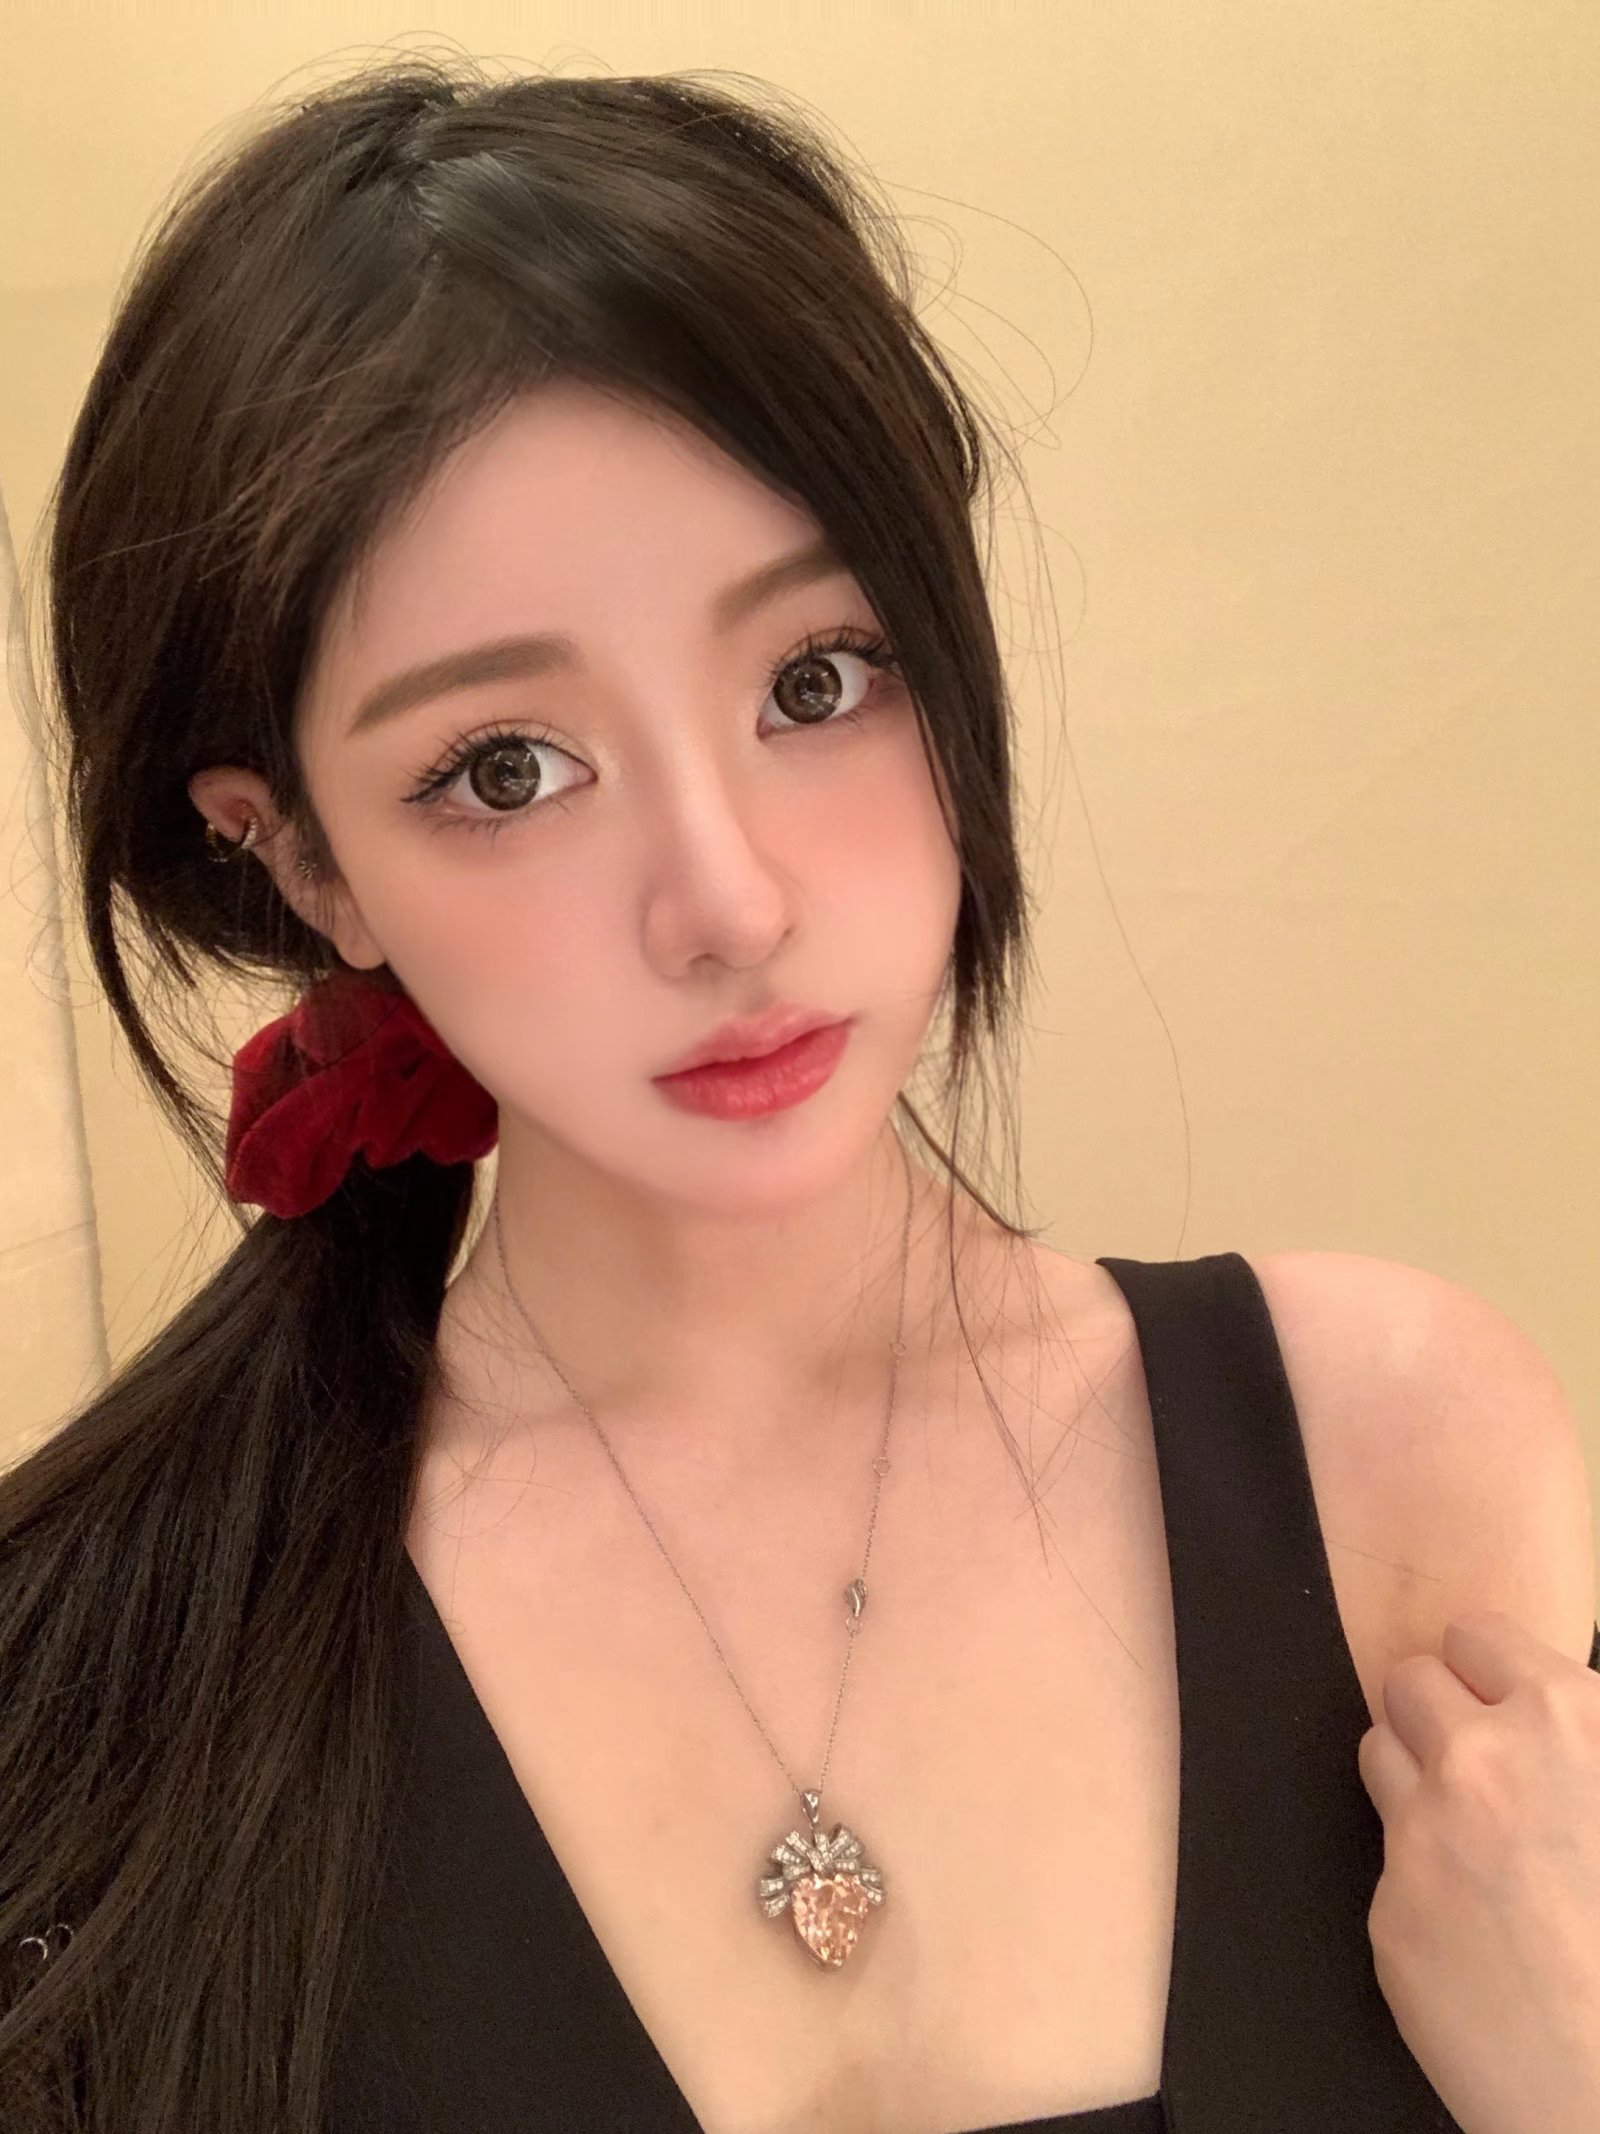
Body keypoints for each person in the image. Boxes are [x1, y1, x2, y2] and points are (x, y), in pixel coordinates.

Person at [3, 54, 1593, 2134]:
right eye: (505, 768)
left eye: (815, 678)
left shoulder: (1394, 1450)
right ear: (303, 857)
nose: (730, 901)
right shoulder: (95, 1678)